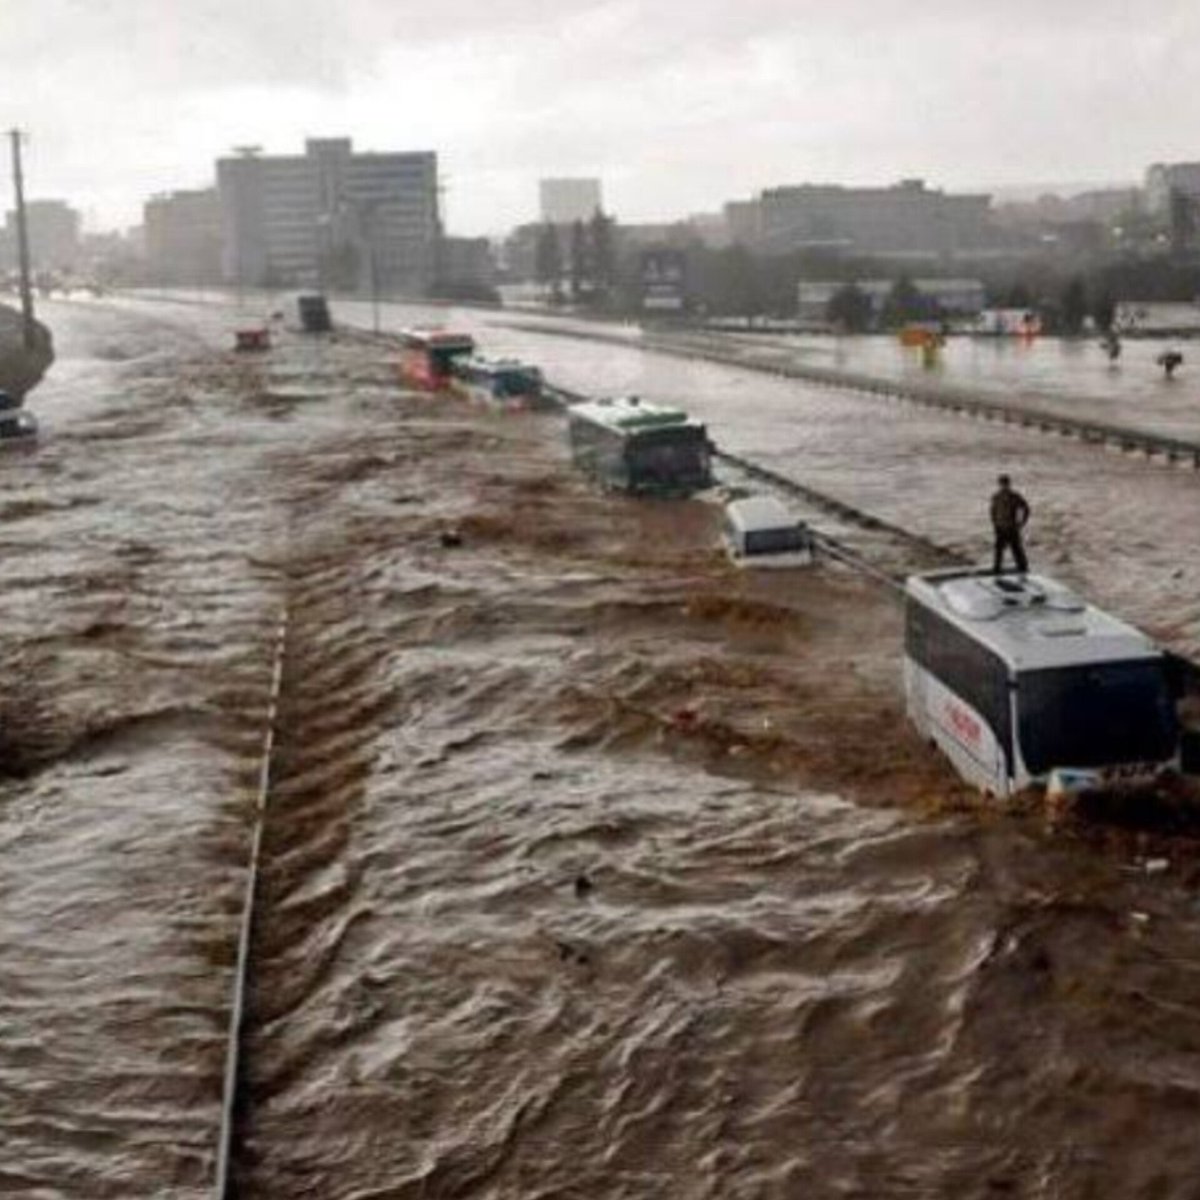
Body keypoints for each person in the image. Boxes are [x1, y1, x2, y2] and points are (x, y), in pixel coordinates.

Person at [990, 474, 1030, 574]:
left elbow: (1026, 508)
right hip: (1000, 527)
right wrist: (995, 524)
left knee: (1016, 549)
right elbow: (993, 511)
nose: (1004, 486)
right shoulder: (996, 497)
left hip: (1012, 527)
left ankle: (1023, 568)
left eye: (1005, 484)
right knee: (998, 550)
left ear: (1009, 484)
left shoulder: (1015, 497)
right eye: (1002, 484)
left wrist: (1022, 522)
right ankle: (997, 569)